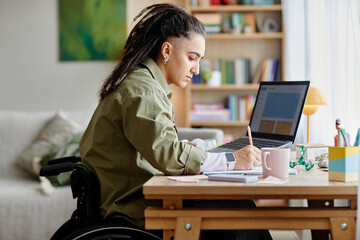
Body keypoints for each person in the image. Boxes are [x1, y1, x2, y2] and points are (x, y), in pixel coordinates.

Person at [79, 3, 271, 239]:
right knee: (239, 213)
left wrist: (190, 154)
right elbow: (169, 156)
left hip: (139, 195)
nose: (197, 69)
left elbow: (160, 148)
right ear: (167, 51)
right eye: (192, 58)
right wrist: (233, 159)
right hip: (134, 207)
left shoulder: (143, 82)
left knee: (238, 207)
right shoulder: (144, 90)